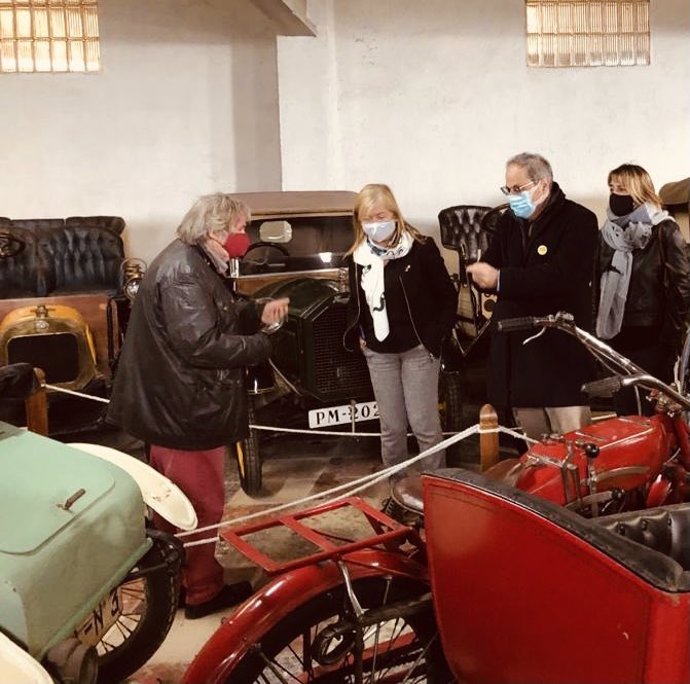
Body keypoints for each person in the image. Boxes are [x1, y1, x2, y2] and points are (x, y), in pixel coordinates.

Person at [106, 193, 289, 619]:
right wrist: (261, 344)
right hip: (183, 407)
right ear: (215, 230)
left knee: (175, 502)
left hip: (173, 402)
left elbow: (215, 313)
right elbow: (200, 344)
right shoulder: (184, 272)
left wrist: (256, 311)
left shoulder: (192, 260)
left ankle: (183, 580)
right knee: (198, 503)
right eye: (241, 229)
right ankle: (202, 590)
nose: (246, 237)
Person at [467, 152, 598, 441]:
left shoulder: (579, 220)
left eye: (519, 189)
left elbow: (562, 276)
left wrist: (502, 279)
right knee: (533, 449)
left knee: (574, 443)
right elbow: (492, 263)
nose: (513, 196)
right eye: (508, 189)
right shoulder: (508, 222)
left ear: (543, 184)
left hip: (559, 351)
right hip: (518, 349)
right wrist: (482, 277)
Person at [343, 183, 457, 484]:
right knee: (391, 428)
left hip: (418, 348)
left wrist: (434, 336)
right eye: (367, 219)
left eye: (380, 216)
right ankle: (397, 489)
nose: (374, 224)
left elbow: (447, 296)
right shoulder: (357, 258)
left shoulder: (421, 249)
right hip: (379, 352)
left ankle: (436, 488)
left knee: (424, 425)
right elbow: (357, 303)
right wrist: (360, 334)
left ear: (394, 213)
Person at [594, 163, 690, 415]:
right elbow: (595, 283)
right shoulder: (607, 234)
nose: (615, 194)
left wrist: (671, 342)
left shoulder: (664, 230)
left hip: (653, 338)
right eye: (612, 187)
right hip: (614, 337)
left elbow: (680, 290)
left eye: (622, 188)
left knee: (652, 413)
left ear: (640, 192)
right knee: (624, 412)